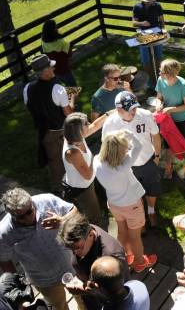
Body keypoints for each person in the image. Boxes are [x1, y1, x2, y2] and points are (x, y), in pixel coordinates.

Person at [0, 188, 78, 310]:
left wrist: (63, 221)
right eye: (21, 217)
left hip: (71, 265)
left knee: (83, 297)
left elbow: (74, 210)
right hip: (45, 280)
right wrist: (17, 286)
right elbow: (5, 261)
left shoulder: (47, 200)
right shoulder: (2, 233)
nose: (27, 218)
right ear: (11, 214)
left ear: (32, 202)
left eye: (29, 212)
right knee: (60, 306)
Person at [94, 130, 157, 273]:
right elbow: (139, 146)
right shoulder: (123, 166)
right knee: (135, 236)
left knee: (122, 232)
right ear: (119, 151)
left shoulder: (96, 161)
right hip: (131, 206)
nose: (126, 149)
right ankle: (140, 262)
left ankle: (125, 257)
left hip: (114, 204)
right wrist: (129, 133)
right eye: (124, 148)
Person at [102, 92, 162, 227]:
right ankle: (141, 219)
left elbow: (156, 136)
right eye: (130, 109)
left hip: (148, 160)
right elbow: (106, 147)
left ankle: (151, 211)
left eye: (135, 107)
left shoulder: (145, 115)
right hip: (127, 167)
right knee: (135, 194)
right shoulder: (110, 123)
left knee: (152, 189)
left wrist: (157, 156)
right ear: (119, 110)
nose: (134, 111)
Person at [24, 54, 75, 195]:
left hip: (43, 131)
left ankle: (60, 185)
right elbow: (69, 113)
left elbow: (30, 107)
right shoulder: (58, 89)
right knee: (63, 159)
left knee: (53, 160)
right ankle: (65, 186)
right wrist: (72, 98)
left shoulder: (27, 88)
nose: (53, 68)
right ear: (46, 70)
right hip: (59, 131)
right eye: (51, 66)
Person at [57, 212, 129, 310]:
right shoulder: (85, 230)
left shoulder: (111, 257)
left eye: (78, 248)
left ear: (91, 234)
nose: (74, 253)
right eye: (70, 249)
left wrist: (82, 290)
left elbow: (117, 294)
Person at [62, 112, 108, 226]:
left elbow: (96, 125)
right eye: (86, 124)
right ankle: (98, 238)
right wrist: (97, 156)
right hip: (82, 190)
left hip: (87, 183)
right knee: (94, 218)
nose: (89, 124)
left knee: (95, 208)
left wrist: (109, 114)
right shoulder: (73, 152)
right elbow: (87, 175)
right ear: (79, 131)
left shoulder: (76, 138)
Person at [156, 59, 185, 179]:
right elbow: (159, 98)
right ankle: (168, 168)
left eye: (161, 71)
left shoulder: (182, 85)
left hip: (182, 119)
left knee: (184, 145)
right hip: (167, 120)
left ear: (169, 73)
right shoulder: (160, 80)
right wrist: (158, 104)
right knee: (167, 146)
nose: (159, 73)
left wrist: (170, 109)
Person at [132, 0, 165, 87]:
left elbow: (162, 20)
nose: (149, 3)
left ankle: (160, 78)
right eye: (147, 1)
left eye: (151, 1)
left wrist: (163, 29)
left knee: (158, 57)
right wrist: (142, 23)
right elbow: (134, 23)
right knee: (146, 59)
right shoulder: (137, 7)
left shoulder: (157, 6)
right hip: (143, 33)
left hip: (156, 32)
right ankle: (151, 80)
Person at [41, 19, 77, 87]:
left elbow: (44, 52)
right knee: (72, 86)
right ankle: (71, 97)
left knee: (59, 87)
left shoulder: (43, 41)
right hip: (63, 67)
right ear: (54, 29)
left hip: (52, 68)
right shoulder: (61, 41)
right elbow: (68, 54)